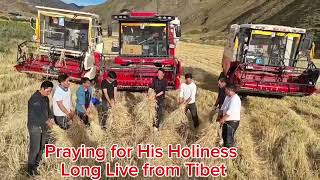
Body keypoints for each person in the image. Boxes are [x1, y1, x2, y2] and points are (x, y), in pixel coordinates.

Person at [27, 80, 54, 176]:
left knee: (42, 145)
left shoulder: (45, 98)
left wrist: (51, 118)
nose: (49, 93)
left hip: (44, 126)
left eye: (50, 91)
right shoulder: (34, 99)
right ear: (42, 88)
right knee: (35, 148)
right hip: (35, 126)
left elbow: (48, 110)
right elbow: (37, 114)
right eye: (48, 91)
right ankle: (30, 169)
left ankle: (36, 164)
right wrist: (47, 122)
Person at [219, 83, 241, 148]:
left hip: (232, 122)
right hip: (226, 120)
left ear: (229, 90)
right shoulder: (227, 97)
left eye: (225, 90)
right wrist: (219, 116)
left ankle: (229, 154)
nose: (225, 91)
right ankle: (225, 150)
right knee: (224, 135)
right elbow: (223, 107)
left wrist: (222, 119)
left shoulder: (235, 99)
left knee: (229, 138)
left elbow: (229, 112)